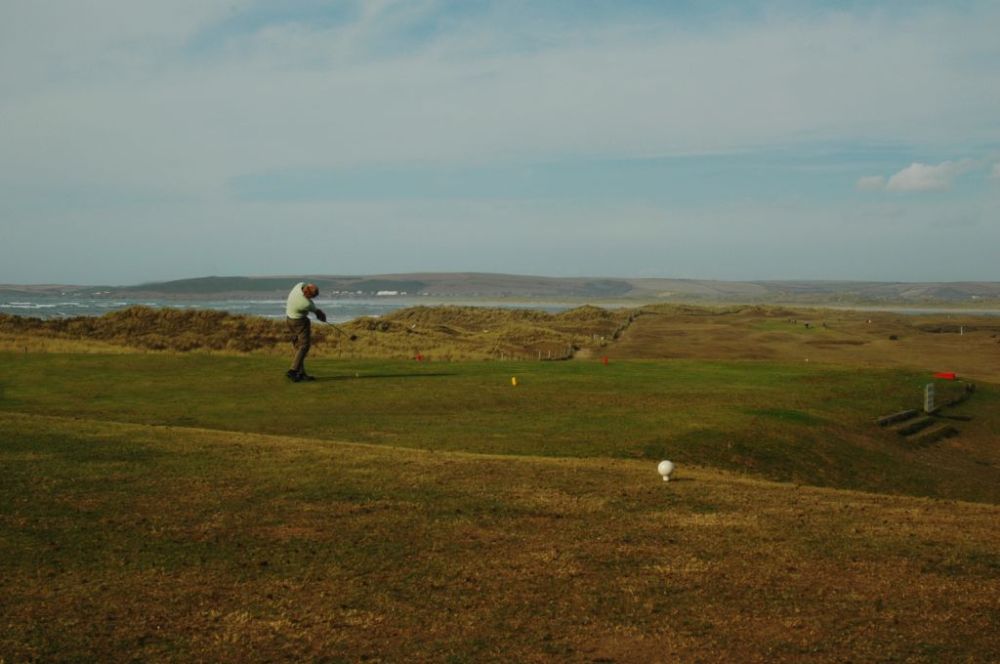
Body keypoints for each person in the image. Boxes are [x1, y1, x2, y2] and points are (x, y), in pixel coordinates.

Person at [285, 282, 326, 382]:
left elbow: (306, 284)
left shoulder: (298, 286)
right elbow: (317, 312)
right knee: (304, 346)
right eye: (312, 296)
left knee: (299, 348)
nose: (312, 298)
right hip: (299, 322)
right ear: (309, 295)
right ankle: (293, 371)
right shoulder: (306, 303)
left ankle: (301, 374)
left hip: (289, 319)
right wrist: (322, 316)